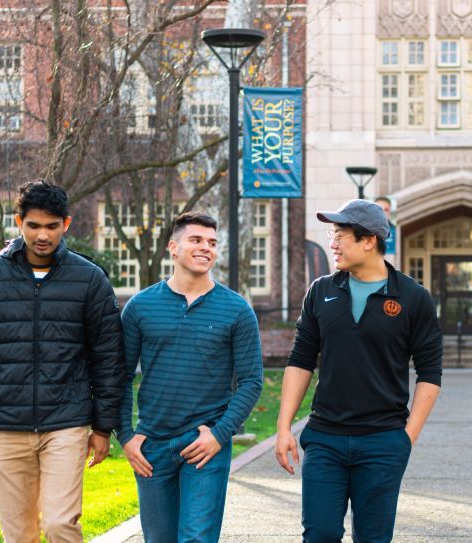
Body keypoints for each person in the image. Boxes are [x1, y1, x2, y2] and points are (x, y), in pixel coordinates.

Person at [0, 180, 125, 542]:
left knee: (61, 524)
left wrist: (103, 427)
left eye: (51, 225)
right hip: (6, 424)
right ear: (19, 222)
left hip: (67, 423)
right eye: (33, 225)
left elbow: (107, 358)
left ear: (66, 224)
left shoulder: (90, 280)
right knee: (19, 534)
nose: (42, 234)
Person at [274, 199, 443, 543]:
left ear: (369, 241)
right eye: (331, 234)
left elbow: (430, 371)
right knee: (319, 534)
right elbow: (301, 359)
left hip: (383, 442)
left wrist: (406, 438)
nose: (332, 243)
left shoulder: (413, 297)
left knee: (373, 538)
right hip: (325, 438)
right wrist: (283, 426)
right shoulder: (321, 291)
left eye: (340, 235)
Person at [118, 211, 263, 543]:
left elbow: (252, 380)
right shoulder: (141, 307)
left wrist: (220, 434)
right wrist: (125, 435)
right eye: (196, 240)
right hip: (151, 446)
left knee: (196, 539)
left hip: (205, 444)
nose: (206, 248)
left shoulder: (236, 309)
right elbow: (119, 376)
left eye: (212, 243)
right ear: (173, 247)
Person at [374, 195, 397, 266]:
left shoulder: (395, 230)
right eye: (379, 209)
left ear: (390, 211)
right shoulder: (365, 230)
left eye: (386, 210)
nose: (383, 213)